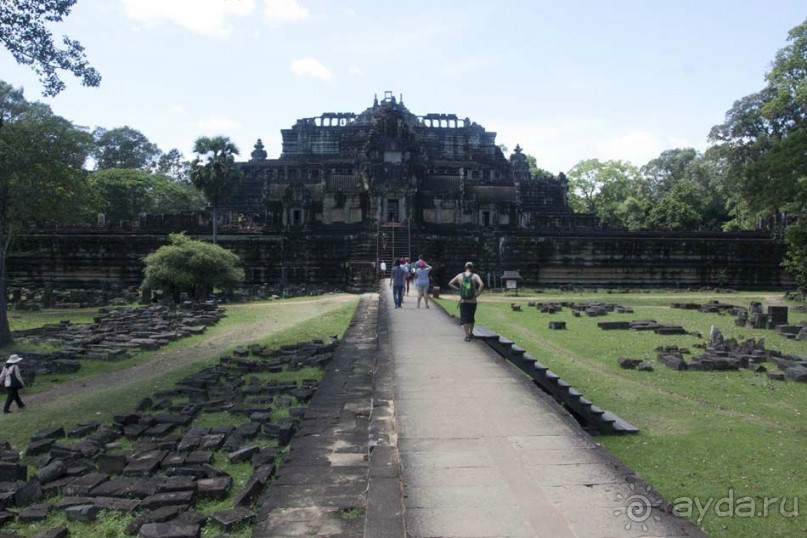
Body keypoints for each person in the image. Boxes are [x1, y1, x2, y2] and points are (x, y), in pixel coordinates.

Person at [448, 262, 484, 341]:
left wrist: (458, 289)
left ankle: (467, 336)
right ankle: (471, 333)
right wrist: (477, 294)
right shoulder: (475, 276)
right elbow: (481, 284)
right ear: (472, 268)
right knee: (471, 317)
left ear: (465, 268)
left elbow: (450, 283)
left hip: (463, 300)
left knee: (464, 318)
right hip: (473, 301)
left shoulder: (460, 275)